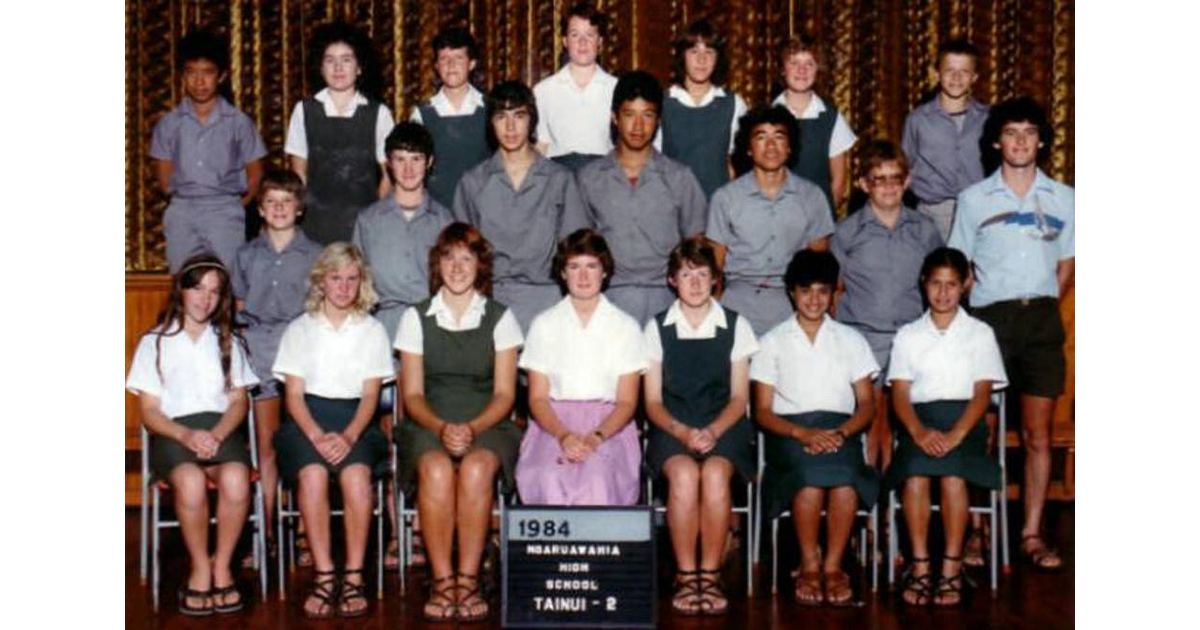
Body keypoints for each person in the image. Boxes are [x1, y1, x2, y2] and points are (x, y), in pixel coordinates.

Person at [948, 96, 1074, 572]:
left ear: (1041, 141)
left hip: (1041, 321)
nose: (1019, 142)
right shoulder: (975, 198)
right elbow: (962, 267)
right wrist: (987, 314)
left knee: (1038, 435)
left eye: (1028, 133)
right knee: (982, 431)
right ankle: (978, 532)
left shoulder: (1066, 197)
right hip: (989, 324)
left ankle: (1031, 533)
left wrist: (1038, 301)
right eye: (1010, 133)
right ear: (997, 141)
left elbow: (1067, 266)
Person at [395, 223, 525, 622]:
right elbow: (412, 395)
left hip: (489, 421)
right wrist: (440, 428)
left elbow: (505, 394)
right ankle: (442, 580)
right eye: (449, 257)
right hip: (428, 421)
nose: (457, 267)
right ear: (438, 264)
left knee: (476, 467)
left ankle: (468, 579)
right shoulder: (415, 317)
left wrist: (471, 428)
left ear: (480, 266)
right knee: (434, 469)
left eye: (467, 258)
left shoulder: (501, 318)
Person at [126, 253, 258, 615]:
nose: (205, 299)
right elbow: (150, 411)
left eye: (215, 292)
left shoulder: (229, 340)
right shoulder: (155, 342)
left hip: (220, 429)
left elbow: (238, 403)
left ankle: (222, 564)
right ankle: (200, 565)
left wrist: (216, 434)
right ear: (180, 291)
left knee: (235, 478)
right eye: (197, 289)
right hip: (174, 432)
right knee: (190, 480)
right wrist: (185, 436)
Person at [751, 249, 879, 607]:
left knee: (845, 480)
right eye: (806, 290)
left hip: (843, 432)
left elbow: (867, 404)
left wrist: (842, 433)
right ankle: (809, 563)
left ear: (834, 293)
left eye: (823, 291)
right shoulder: (772, 341)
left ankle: (834, 566)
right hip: (790, 434)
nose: (814, 299)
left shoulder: (851, 339)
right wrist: (801, 434)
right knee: (808, 477)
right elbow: (762, 411)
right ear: (792, 291)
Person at [271, 243, 393, 618]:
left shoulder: (372, 330)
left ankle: (354, 575)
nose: (343, 286)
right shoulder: (299, 329)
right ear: (321, 282)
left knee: (357, 477)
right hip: (306, 421)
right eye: (335, 278)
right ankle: (325, 575)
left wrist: (349, 436)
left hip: (357, 422)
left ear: (362, 284)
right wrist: (317, 435)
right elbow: (292, 396)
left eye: (352, 279)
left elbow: (372, 395)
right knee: (312, 475)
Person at [885, 247, 1007, 606]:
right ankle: (921, 567)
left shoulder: (980, 333)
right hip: (918, 423)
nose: (943, 293)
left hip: (964, 424)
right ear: (924, 284)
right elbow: (900, 395)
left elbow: (983, 394)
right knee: (917, 476)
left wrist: (956, 434)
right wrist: (919, 432)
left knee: (953, 475)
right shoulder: (908, 334)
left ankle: (951, 568)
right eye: (936, 284)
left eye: (951, 285)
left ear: (964, 286)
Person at [643, 236, 758, 616]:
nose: (694, 283)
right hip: (672, 425)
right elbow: (653, 402)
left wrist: (713, 431)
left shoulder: (736, 326)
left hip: (724, 426)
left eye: (702, 274)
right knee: (683, 477)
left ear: (715, 280)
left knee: (713, 475)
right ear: (672, 280)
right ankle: (685, 573)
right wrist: (682, 432)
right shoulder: (657, 327)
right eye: (685, 274)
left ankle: (710, 573)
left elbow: (741, 398)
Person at [831, 140, 942, 467]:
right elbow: (834, 290)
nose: (889, 187)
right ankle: (871, 503)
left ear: (907, 181)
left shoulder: (924, 230)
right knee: (871, 422)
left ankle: (895, 502)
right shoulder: (848, 232)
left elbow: (938, 286)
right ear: (864, 184)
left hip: (912, 340)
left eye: (896, 178)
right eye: (879, 179)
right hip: (864, 340)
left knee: (903, 424)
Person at [515, 229, 646, 505]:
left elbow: (626, 402)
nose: (583, 276)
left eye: (591, 266)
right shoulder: (544, 324)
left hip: (609, 426)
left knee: (597, 479)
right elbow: (537, 398)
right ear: (563, 273)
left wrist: (595, 438)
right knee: (548, 476)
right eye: (574, 267)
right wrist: (563, 435)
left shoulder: (625, 326)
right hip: (552, 424)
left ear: (605, 271)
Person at [232, 169, 322, 557]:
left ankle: (305, 531)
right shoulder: (246, 254)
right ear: (261, 210)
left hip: (304, 352)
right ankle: (265, 531)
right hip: (260, 351)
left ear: (299, 208)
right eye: (271, 202)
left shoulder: (317, 254)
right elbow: (235, 305)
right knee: (265, 446)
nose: (279, 209)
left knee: (303, 442)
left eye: (287, 201)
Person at [452, 80, 591, 332]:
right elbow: (462, 255)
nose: (510, 127)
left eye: (519, 116)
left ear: (532, 120)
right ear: (490, 123)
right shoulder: (473, 182)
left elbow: (574, 250)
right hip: (489, 301)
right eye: (501, 117)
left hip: (547, 300)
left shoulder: (559, 179)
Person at [576, 70, 708, 324]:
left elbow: (697, 247)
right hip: (607, 301)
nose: (638, 126)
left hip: (668, 301)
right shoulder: (590, 178)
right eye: (629, 115)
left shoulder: (679, 177)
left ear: (658, 120)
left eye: (647, 115)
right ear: (615, 117)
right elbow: (580, 251)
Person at [707, 106, 834, 335]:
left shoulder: (812, 196)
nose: (771, 146)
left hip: (792, 305)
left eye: (779, 137)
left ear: (789, 147)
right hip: (738, 303)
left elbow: (819, 267)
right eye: (761, 137)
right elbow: (716, 267)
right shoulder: (725, 198)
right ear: (748, 148)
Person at [151, 30, 267, 272]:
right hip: (182, 210)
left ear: (222, 76)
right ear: (182, 76)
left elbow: (255, 173)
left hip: (224, 211)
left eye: (207, 73)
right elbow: (163, 177)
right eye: (192, 73)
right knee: (184, 280)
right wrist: (182, 201)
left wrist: (234, 205)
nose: (199, 81)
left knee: (228, 280)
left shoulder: (238, 122)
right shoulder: (169, 124)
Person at [286, 21, 395, 244]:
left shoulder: (379, 113)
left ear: (359, 67)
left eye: (346, 60)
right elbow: (299, 177)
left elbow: (388, 177)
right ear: (320, 67)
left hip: (363, 226)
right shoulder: (304, 111)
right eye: (330, 60)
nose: (338, 68)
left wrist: (373, 218)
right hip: (315, 227)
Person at [353, 122, 454, 345]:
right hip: (382, 330)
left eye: (416, 159)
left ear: (429, 162)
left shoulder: (444, 220)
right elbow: (357, 284)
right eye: (400, 159)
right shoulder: (368, 221)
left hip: (432, 328)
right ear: (389, 164)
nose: (408, 170)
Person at [902, 39, 990, 241]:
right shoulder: (917, 119)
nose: (956, 77)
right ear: (936, 74)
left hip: (977, 211)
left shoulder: (988, 118)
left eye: (964, 72)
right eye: (949, 70)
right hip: (932, 213)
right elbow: (906, 166)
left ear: (974, 77)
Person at [655, 20, 748, 199]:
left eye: (709, 52)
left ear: (718, 57)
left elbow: (743, 166)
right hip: (674, 208)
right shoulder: (663, 103)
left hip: (719, 210)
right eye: (694, 51)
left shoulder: (733, 104)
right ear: (682, 55)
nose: (701, 59)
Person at [772, 33, 856, 213]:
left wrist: (821, 222)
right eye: (794, 63)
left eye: (809, 63)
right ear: (782, 69)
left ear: (818, 70)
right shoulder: (767, 117)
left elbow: (839, 181)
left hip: (817, 221)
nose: (802, 70)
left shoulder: (831, 118)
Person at [409, 27, 490, 209]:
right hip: (437, 211)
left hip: (482, 212)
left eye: (459, 58)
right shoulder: (422, 114)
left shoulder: (490, 109)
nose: (451, 65)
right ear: (436, 66)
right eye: (444, 59)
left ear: (471, 63)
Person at [532, 1, 618, 171]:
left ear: (600, 41)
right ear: (564, 41)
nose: (582, 42)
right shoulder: (543, 91)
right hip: (559, 183)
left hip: (603, 181)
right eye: (574, 35)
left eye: (590, 35)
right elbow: (541, 147)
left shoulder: (616, 88)